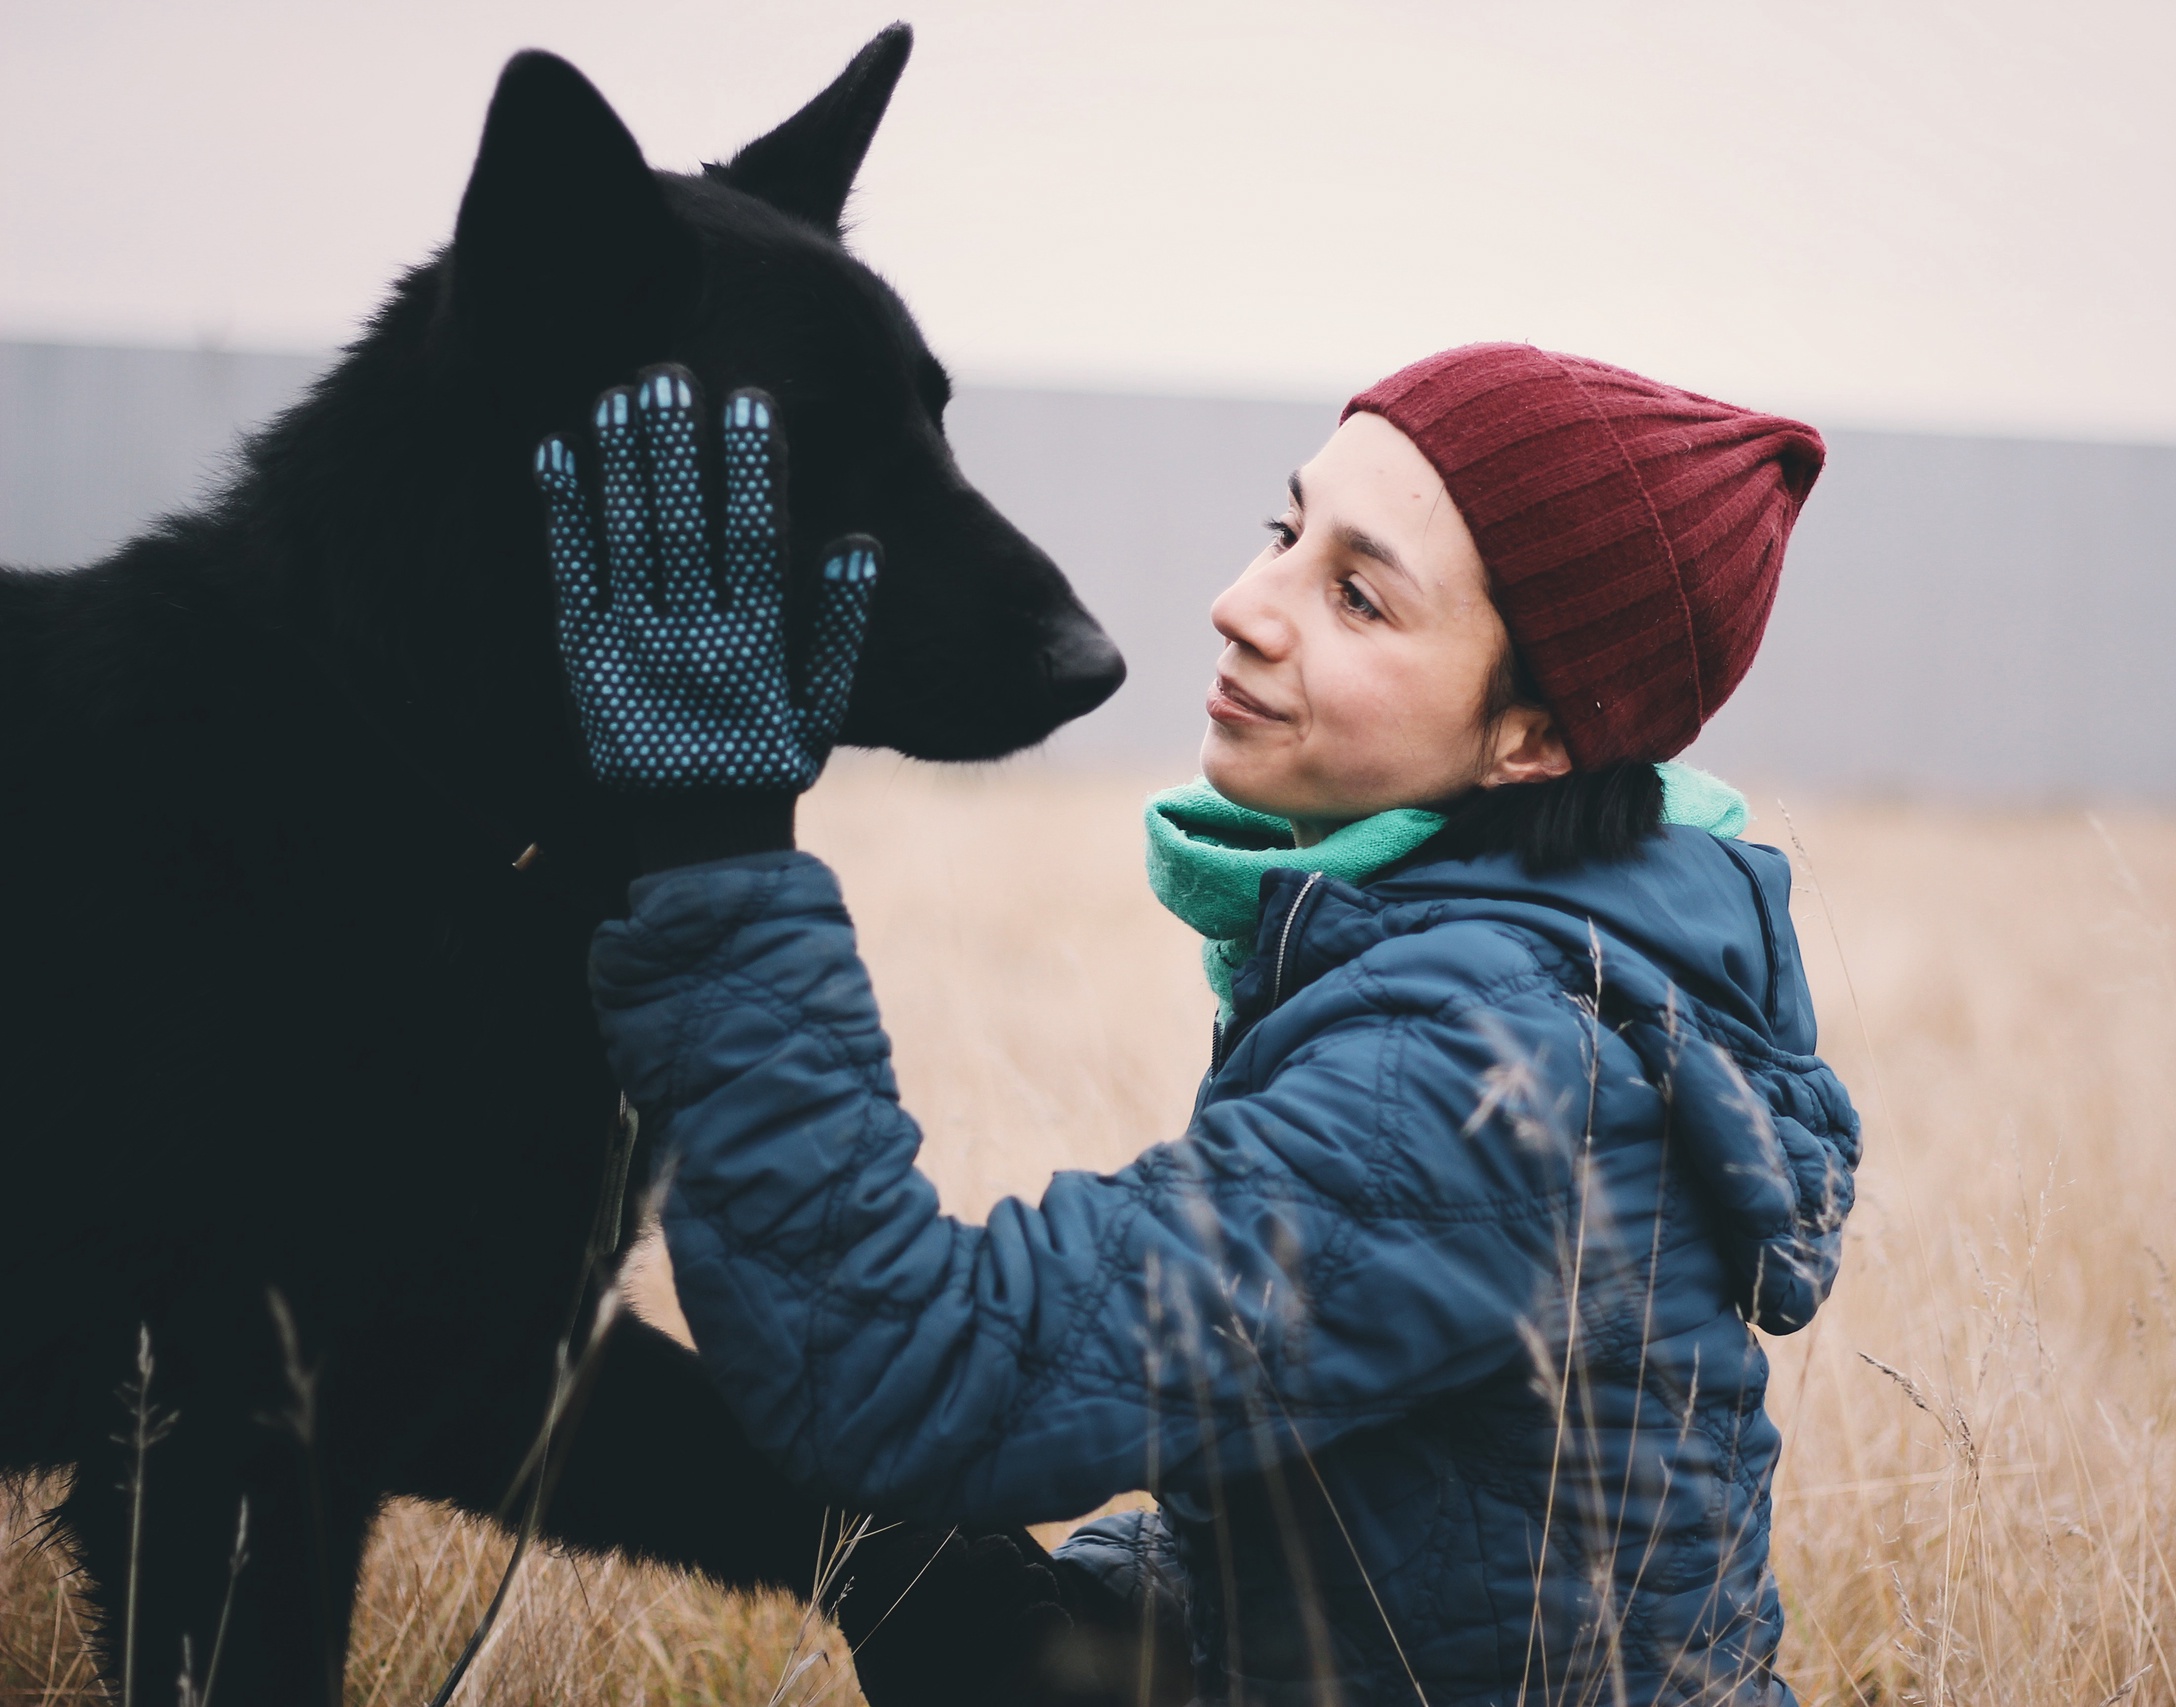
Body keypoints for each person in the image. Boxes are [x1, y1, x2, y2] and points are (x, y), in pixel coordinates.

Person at [540, 344, 1859, 1707]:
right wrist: (1089, 1612)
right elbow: (1413, 1534)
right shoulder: (1493, 966)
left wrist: (716, 848)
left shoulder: (1482, 1071)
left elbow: (883, 1370)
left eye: (1357, 595)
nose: (1244, 605)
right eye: (1284, 533)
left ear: (1528, 738)